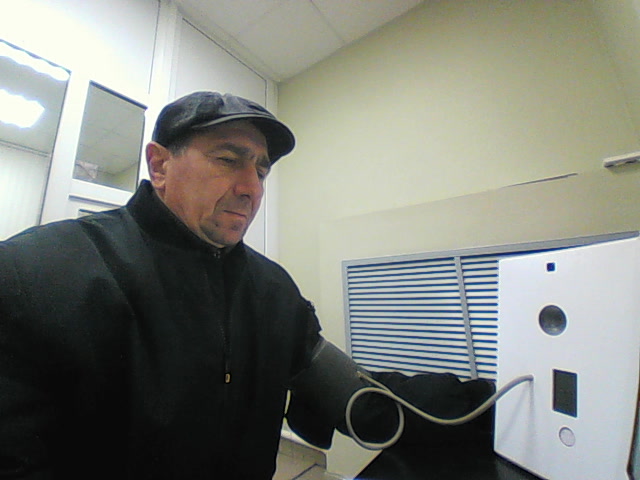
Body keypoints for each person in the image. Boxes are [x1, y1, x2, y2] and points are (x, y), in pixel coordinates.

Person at [0, 92, 494, 480]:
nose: (252, 188)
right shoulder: (36, 272)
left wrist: (496, 409)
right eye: (228, 159)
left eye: (261, 170)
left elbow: (358, 398)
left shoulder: (273, 290)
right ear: (160, 165)